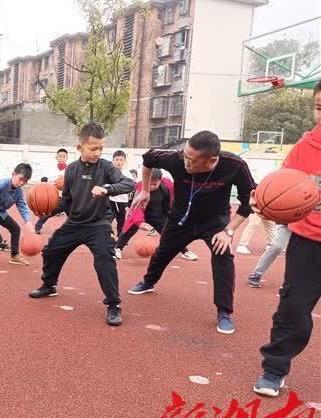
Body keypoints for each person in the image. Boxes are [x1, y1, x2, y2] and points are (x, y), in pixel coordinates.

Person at [128, 130, 256, 335]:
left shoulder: (234, 165)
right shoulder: (177, 159)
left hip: (215, 221)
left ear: (212, 159)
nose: (185, 162)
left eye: (191, 160)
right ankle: (148, 281)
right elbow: (147, 159)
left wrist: (228, 231)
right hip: (181, 218)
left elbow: (248, 203)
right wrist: (144, 189)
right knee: (163, 252)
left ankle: (224, 311)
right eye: (185, 155)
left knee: (223, 256)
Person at [28, 122, 135, 326]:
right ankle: (49, 285)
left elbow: (128, 183)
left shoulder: (106, 167)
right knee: (51, 251)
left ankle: (114, 304)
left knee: (105, 258)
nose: (97, 152)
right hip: (75, 223)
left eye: (101, 148)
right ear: (80, 147)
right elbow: (67, 199)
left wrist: (107, 189)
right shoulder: (71, 169)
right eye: (93, 148)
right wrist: (47, 209)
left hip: (98, 224)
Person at [253, 80, 321, 397]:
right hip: (308, 241)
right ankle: (274, 368)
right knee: (293, 307)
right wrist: (267, 203)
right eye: (319, 108)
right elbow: (283, 189)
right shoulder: (304, 147)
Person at [115, 168, 198, 261]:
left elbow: (171, 201)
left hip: (157, 215)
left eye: (155, 184)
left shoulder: (167, 186)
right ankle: (117, 248)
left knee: (170, 232)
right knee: (127, 231)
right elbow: (136, 208)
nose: (151, 186)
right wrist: (140, 222)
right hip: (140, 214)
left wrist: (171, 213)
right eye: (149, 184)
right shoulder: (140, 188)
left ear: (160, 180)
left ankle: (185, 251)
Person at [35, 148, 69, 234]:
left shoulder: (70, 169)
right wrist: (49, 185)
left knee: (75, 216)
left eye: (64, 156)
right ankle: (38, 226)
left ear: (67, 158)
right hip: (55, 196)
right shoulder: (50, 169)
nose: (62, 158)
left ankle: (76, 231)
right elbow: (44, 180)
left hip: (68, 197)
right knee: (49, 212)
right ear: (56, 158)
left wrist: (65, 184)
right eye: (60, 156)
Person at [110, 150, 133, 238]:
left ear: (124, 161)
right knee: (107, 219)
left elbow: (130, 188)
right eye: (117, 159)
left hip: (122, 202)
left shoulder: (127, 174)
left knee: (121, 221)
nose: (119, 162)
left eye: (121, 160)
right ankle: (110, 233)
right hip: (111, 200)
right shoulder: (110, 172)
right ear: (113, 160)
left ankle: (120, 237)